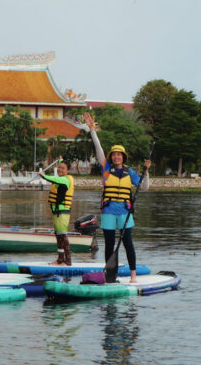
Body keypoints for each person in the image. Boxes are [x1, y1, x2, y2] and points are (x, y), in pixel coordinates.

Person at [84, 112, 151, 283]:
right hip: (108, 211)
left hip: (124, 212)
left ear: (123, 157)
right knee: (109, 244)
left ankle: (133, 275)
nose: (116, 156)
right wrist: (92, 130)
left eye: (119, 155)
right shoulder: (106, 168)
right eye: (114, 154)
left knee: (128, 243)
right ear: (111, 157)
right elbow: (99, 149)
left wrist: (147, 172)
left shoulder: (131, 172)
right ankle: (109, 275)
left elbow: (144, 186)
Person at [40, 159, 75, 265]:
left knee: (63, 236)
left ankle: (68, 261)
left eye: (63, 168)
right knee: (58, 236)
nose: (60, 169)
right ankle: (60, 259)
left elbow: (52, 179)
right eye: (59, 167)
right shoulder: (60, 179)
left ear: (68, 171)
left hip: (62, 212)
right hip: (56, 211)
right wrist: (60, 160)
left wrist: (43, 175)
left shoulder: (65, 179)